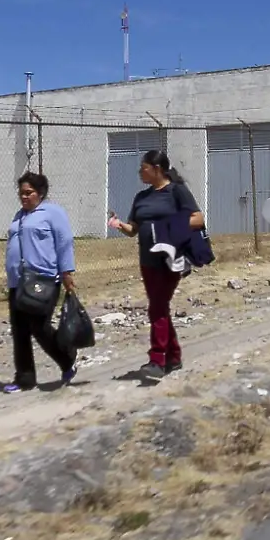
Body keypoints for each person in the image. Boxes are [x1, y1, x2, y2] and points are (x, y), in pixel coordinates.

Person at [107, 150, 204, 380]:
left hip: (171, 258)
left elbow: (198, 219)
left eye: (144, 167)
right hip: (148, 260)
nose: (140, 171)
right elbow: (134, 230)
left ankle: (157, 359)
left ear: (157, 169)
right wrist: (119, 224)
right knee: (159, 306)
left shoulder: (176, 191)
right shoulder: (141, 197)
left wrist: (168, 227)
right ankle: (174, 356)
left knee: (157, 307)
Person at [3, 171, 77, 392]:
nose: (24, 197)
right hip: (18, 282)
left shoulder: (53, 213)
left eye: (29, 193)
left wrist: (67, 273)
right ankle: (24, 378)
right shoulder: (19, 216)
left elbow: (64, 242)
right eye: (21, 193)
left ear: (41, 193)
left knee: (39, 326)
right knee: (20, 330)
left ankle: (67, 359)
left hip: (44, 279)